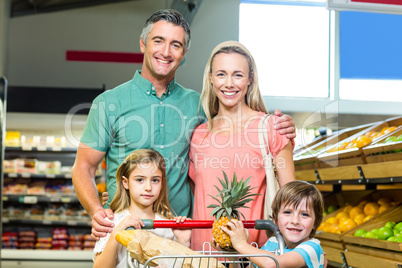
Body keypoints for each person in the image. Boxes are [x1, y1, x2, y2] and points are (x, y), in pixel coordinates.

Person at [72, 9, 296, 241]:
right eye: (158, 41)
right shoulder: (109, 103)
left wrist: (280, 128)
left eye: (176, 45)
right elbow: (83, 168)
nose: (166, 52)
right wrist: (96, 211)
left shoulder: (198, 105)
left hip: (181, 235)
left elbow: (236, 129)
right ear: (143, 44)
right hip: (125, 231)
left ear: (184, 53)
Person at [188, 41, 295, 250]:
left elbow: (292, 197)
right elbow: (198, 194)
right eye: (221, 74)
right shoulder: (198, 135)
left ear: (250, 79)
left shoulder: (271, 128)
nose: (229, 83)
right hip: (204, 254)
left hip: (257, 253)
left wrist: (304, 246)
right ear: (210, 78)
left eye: (237, 75)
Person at [93, 149, 191, 268]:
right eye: (140, 180)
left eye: (155, 180)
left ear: (162, 184)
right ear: (125, 182)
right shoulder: (111, 224)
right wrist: (116, 234)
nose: (148, 187)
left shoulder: (170, 228)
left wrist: (183, 242)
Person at [219, 180, 325, 268]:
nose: (295, 221)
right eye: (287, 212)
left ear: (315, 222)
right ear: (275, 218)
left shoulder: (312, 248)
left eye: (305, 214)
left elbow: (272, 264)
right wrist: (232, 254)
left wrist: (240, 244)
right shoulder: (272, 243)